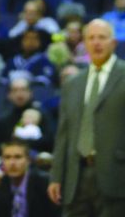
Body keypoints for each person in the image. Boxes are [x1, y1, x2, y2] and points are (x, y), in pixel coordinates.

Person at [49, 18, 125, 215]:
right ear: (84, 43)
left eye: (102, 37)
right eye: (91, 38)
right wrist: (56, 175)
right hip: (76, 174)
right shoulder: (72, 83)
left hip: (116, 175)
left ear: (113, 43)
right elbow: (63, 134)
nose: (96, 42)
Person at [0, 138, 55, 216]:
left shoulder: (43, 184)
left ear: (28, 160)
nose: (12, 162)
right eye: (7, 157)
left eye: (18, 157)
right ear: (2, 161)